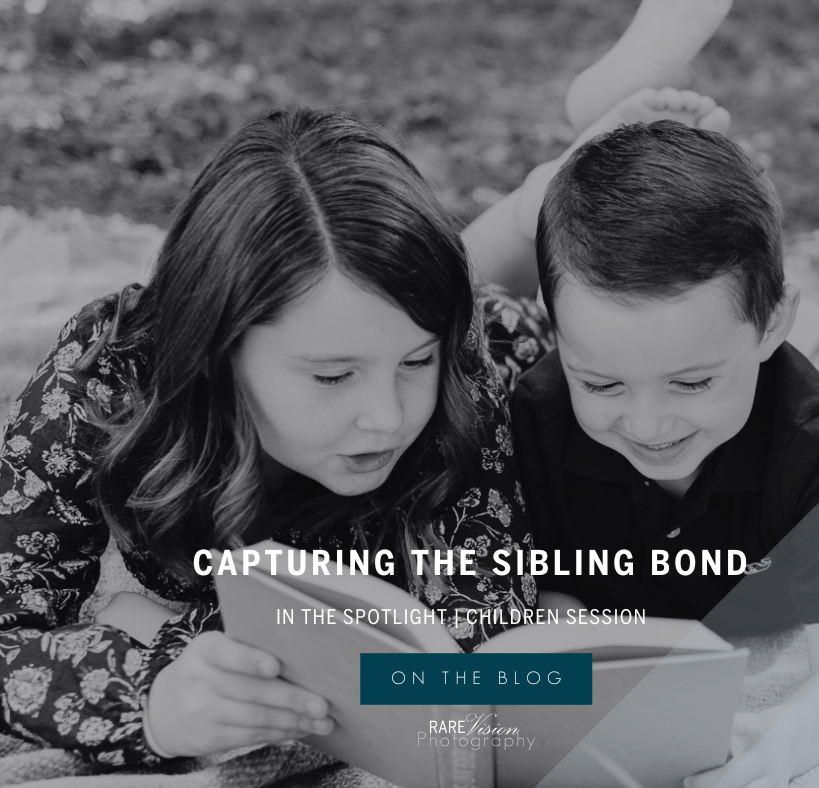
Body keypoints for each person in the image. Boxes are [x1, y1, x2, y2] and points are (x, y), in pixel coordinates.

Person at [0, 107, 536, 767]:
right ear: (215, 346)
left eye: (415, 362)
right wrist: (152, 706)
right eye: (333, 376)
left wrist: (169, 634)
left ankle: (533, 210)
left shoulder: (463, 383)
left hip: (512, 335)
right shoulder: (111, 372)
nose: (389, 418)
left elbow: (483, 656)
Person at [495, 121, 819, 788]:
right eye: (600, 382)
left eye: (691, 381)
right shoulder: (533, 421)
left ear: (772, 325)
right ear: (554, 331)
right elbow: (547, 595)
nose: (648, 425)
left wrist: (781, 741)